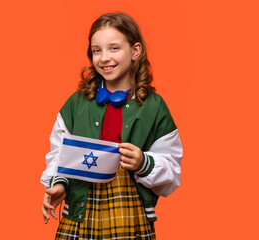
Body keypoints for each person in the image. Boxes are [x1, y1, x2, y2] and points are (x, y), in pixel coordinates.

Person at [40, 12, 183, 240]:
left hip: (129, 213)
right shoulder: (76, 104)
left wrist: (143, 162)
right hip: (81, 214)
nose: (104, 57)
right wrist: (59, 185)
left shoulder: (154, 107)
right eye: (97, 50)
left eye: (114, 48)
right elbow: (60, 155)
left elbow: (172, 172)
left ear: (135, 51)